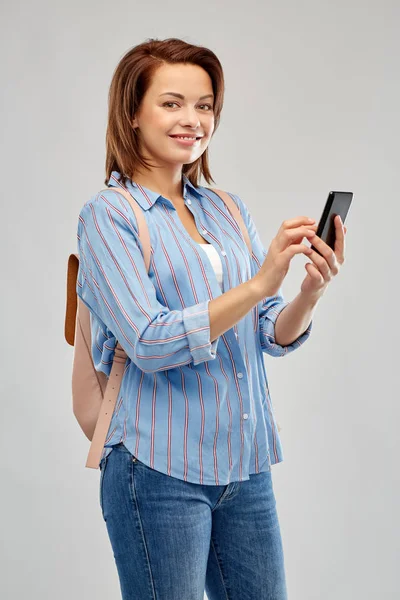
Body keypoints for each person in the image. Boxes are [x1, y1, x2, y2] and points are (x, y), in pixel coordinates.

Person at [76, 37, 347, 600]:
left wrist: (307, 293)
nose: (193, 120)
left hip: (244, 467)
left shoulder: (226, 208)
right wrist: (257, 284)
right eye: (172, 103)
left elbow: (267, 329)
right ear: (132, 113)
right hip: (157, 469)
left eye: (204, 106)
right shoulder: (109, 216)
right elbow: (149, 341)